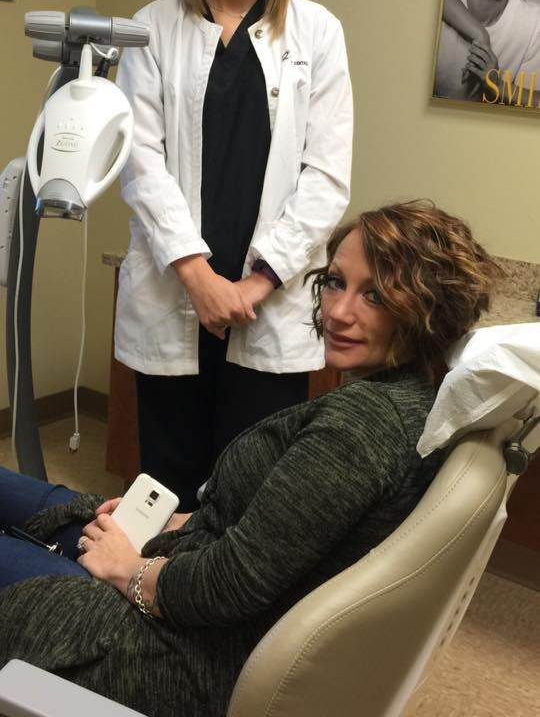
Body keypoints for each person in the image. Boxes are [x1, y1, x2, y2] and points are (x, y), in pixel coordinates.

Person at [0, 200, 500, 717]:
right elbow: (276, 533)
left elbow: (227, 586)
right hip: (180, 559)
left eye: (374, 295)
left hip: (167, 645)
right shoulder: (406, 398)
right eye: (334, 282)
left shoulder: (361, 428)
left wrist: (127, 570)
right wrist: (173, 520)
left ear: (427, 308)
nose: (339, 312)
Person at [113, 0, 353, 509]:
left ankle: (229, 614)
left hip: (265, 304)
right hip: (175, 295)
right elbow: (140, 163)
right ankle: (149, 603)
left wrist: (252, 284)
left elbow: (326, 176)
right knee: (165, 485)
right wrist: (198, 278)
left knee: (248, 495)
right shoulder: (149, 30)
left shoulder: (318, 33)